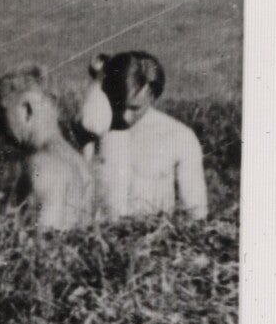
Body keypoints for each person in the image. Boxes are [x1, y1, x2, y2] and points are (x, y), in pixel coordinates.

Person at [79, 51, 208, 221]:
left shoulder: (179, 137)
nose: (125, 116)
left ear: (153, 95)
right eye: (118, 105)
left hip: (153, 235)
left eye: (134, 108)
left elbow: (196, 211)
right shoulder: (94, 129)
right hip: (97, 234)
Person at [0, 65, 95, 230]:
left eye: (3, 111)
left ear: (27, 110)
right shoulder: (80, 163)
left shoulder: (41, 165)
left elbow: (41, 240)